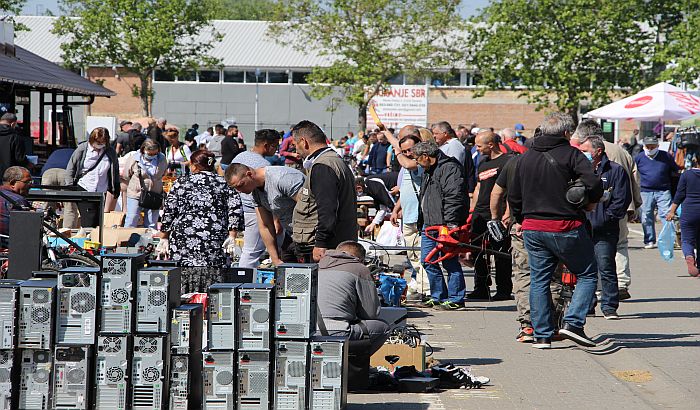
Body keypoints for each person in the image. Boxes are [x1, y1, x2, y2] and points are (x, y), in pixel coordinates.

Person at [509, 112, 603, 349]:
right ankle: (573, 324)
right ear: (566, 133)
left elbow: (514, 195)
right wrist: (588, 199)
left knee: (538, 279)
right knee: (588, 273)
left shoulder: (525, 157)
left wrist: (521, 218)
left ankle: (541, 335)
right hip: (565, 225)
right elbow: (593, 183)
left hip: (532, 227)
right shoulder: (572, 155)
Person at [574, 119, 642, 300]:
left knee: (599, 249)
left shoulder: (586, 152)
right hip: (620, 206)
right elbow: (634, 176)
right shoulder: (620, 150)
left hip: (602, 208)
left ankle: (598, 286)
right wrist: (635, 203)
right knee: (619, 244)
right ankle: (621, 282)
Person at [160, 150, 244, 292]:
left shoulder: (180, 183)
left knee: (184, 276)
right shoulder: (224, 183)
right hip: (215, 238)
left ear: (193, 166)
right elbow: (235, 209)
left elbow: (169, 211)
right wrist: (232, 235)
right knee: (214, 277)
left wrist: (164, 237)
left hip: (184, 240)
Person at [578, 136, 631, 319]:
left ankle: (609, 306)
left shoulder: (615, 171)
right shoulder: (579, 170)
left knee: (605, 266)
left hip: (604, 229)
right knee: (585, 269)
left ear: (598, 151)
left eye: (585, 149)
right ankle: (588, 305)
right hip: (582, 228)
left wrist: (606, 218)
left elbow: (622, 199)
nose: (582, 153)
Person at [291, 120, 357, 262]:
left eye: (295, 144)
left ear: (304, 142)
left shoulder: (323, 166)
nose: (295, 150)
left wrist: (320, 243)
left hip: (328, 248)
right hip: (336, 243)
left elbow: (327, 209)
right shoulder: (334, 160)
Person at [413, 141, 469, 310]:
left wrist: (451, 224)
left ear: (425, 157)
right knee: (427, 260)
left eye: (417, 159)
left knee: (449, 262)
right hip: (429, 224)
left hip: (445, 225)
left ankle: (456, 298)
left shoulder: (449, 168)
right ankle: (438, 296)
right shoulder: (429, 170)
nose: (416, 162)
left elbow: (454, 196)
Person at [317, 241, 390, 355]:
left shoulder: (318, 266)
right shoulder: (359, 268)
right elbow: (371, 314)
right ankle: (356, 364)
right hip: (338, 330)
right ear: (360, 259)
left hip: (310, 330)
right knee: (383, 328)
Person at [224, 163, 305, 265]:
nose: (239, 191)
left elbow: (310, 208)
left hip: (311, 236)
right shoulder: (254, 192)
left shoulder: (281, 179)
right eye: (235, 188)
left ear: (249, 174)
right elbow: (265, 225)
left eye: (240, 185)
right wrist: (275, 259)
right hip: (293, 236)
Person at [469, 131, 514, 301]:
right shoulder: (483, 163)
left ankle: (503, 289)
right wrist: (472, 210)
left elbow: (511, 191)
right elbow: (479, 187)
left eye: (479, 145)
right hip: (480, 213)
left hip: (499, 214)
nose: (477, 149)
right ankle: (481, 287)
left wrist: (507, 213)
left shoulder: (507, 161)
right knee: (477, 251)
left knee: (500, 252)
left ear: (491, 144)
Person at [230, 129, 281, 268]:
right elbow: (271, 197)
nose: (276, 149)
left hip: (238, 210)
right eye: (275, 145)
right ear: (266, 145)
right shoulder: (264, 167)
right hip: (254, 211)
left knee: (248, 251)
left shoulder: (239, 157)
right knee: (251, 252)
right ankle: (244, 282)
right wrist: (276, 220)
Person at [390, 133, 428, 299]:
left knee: (422, 257)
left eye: (409, 150)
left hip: (420, 217)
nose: (407, 153)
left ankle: (426, 291)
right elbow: (406, 188)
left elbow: (406, 162)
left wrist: (398, 152)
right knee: (412, 256)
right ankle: (419, 287)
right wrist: (396, 209)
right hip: (407, 216)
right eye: (404, 151)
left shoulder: (419, 163)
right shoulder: (405, 164)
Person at [65, 127, 120, 226]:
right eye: (98, 142)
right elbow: (71, 168)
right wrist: (69, 187)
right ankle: (87, 238)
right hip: (84, 187)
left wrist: (115, 187)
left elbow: (115, 170)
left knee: (98, 220)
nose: (99, 145)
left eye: (102, 142)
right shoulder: (82, 149)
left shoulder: (110, 152)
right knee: (89, 219)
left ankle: (94, 239)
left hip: (101, 190)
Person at [635, 135, 679, 249]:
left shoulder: (666, 156)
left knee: (667, 215)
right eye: (647, 146)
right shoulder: (639, 157)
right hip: (645, 191)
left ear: (657, 146)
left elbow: (675, 169)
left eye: (652, 146)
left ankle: (669, 239)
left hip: (663, 190)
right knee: (645, 217)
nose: (650, 149)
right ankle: (649, 240)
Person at [124, 139, 168, 228]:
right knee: (132, 219)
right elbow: (126, 175)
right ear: (143, 150)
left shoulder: (162, 159)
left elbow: (163, 173)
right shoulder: (134, 158)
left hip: (154, 194)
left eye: (155, 154)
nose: (152, 156)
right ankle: (125, 240)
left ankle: (150, 240)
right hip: (136, 193)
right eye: (150, 154)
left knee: (151, 223)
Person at [667, 161, 700, 277]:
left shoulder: (687, 174)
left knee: (687, 240)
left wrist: (672, 211)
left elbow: (680, 194)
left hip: (689, 211)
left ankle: (690, 258)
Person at [41, 148, 79, 229]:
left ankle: (47, 231)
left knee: (48, 206)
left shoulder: (56, 151)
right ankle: (68, 233)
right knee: (69, 206)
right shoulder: (78, 151)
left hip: (48, 172)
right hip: (65, 173)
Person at [0, 166, 32, 243]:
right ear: (13, 183)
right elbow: (26, 229)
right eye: (27, 182)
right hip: (10, 245)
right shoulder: (18, 201)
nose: (31, 185)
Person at [0, 113, 29, 178]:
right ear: (13, 124)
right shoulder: (16, 137)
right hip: (8, 175)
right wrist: (28, 163)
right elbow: (20, 159)